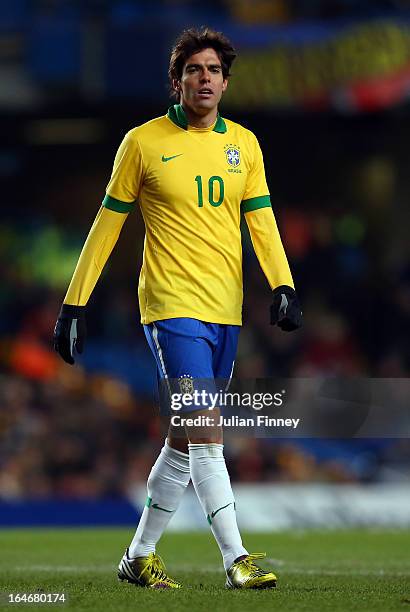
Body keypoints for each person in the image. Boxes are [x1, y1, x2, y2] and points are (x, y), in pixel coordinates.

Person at [53, 27, 302, 590]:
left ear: (226, 80)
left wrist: (282, 283)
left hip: (226, 311)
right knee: (208, 430)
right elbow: (106, 226)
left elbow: (261, 223)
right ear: (177, 80)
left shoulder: (246, 145)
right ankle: (237, 559)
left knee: (185, 439)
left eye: (214, 70)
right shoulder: (141, 143)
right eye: (194, 70)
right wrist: (74, 303)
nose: (205, 78)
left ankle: (139, 556)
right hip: (169, 306)